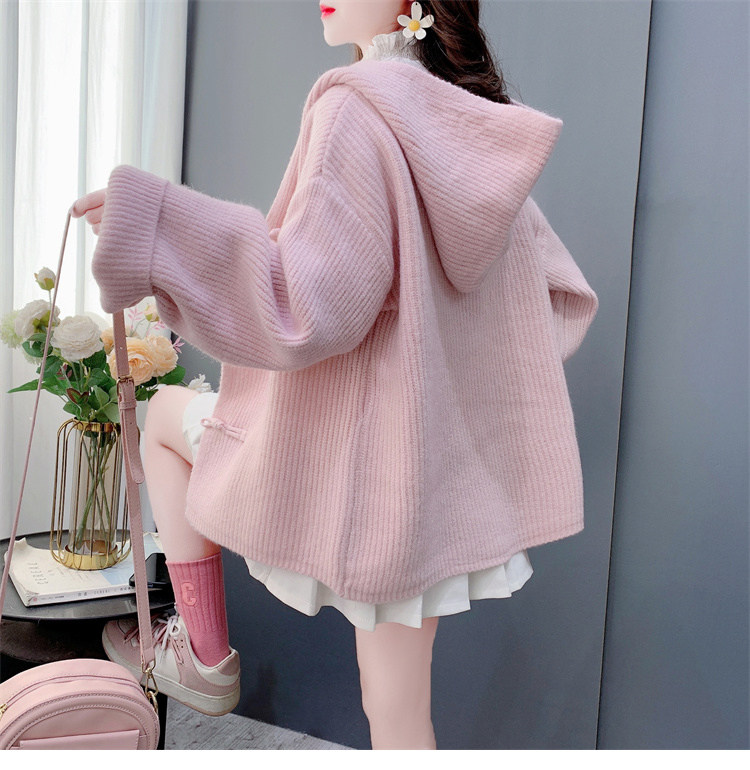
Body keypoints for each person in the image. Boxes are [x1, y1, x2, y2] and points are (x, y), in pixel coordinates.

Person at [71, 0, 598, 751]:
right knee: (399, 710)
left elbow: (305, 301)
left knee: (160, 421)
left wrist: (154, 227)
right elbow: (555, 296)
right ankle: (201, 654)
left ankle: (203, 653)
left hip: (357, 480)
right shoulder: (473, 127)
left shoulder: (356, 109)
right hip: (431, 484)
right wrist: (449, 377)